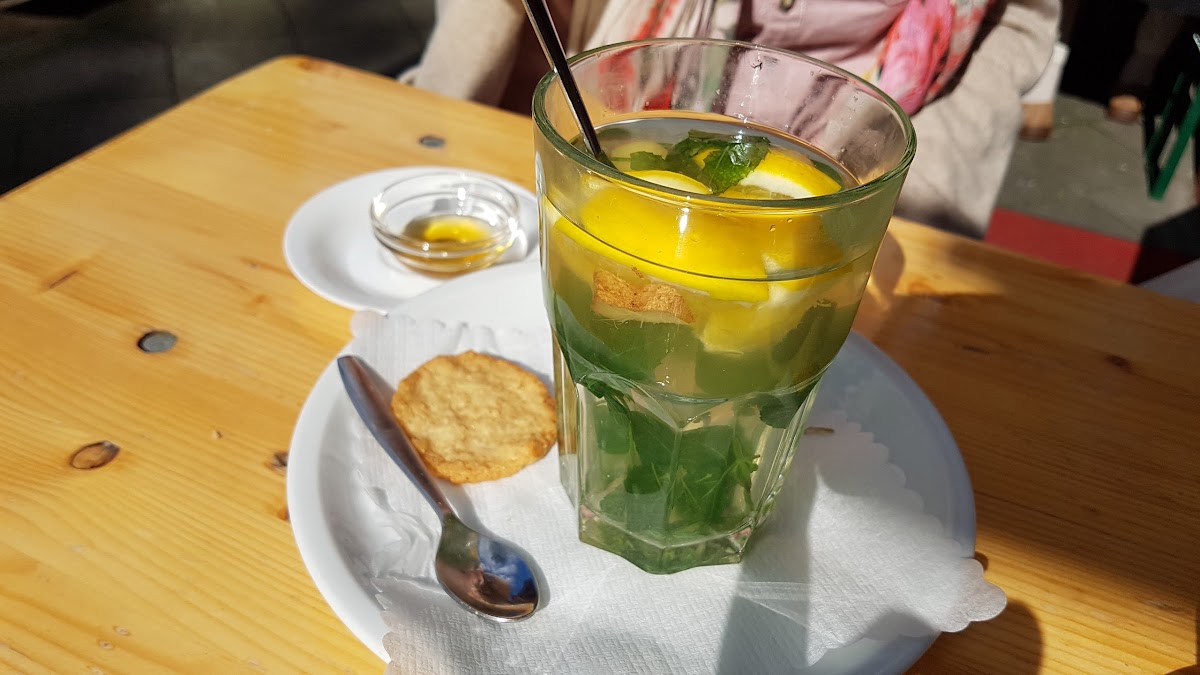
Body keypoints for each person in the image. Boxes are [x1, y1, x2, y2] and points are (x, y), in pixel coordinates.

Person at [404, 0, 1058, 239]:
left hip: (851, 160)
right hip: (624, 124)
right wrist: (437, 120)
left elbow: (1015, 23)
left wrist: (915, 205)